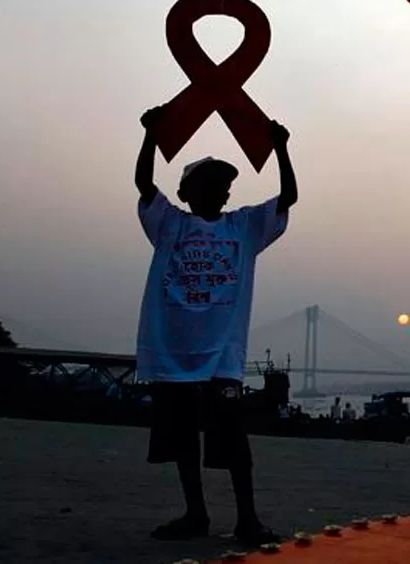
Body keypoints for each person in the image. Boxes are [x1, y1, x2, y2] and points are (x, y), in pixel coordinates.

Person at [134, 106, 297, 546]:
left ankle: (247, 519)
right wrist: (150, 136)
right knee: (184, 442)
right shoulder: (170, 224)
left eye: (224, 185)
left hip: (222, 357)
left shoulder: (243, 226)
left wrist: (282, 149)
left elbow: (287, 199)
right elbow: (145, 185)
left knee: (233, 443)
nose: (220, 192)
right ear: (186, 193)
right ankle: (196, 515)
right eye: (209, 185)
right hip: (173, 354)